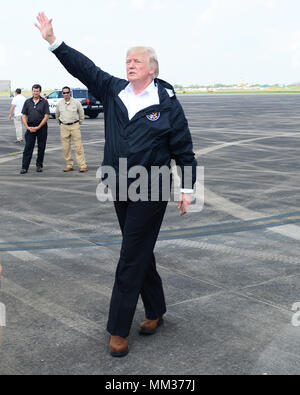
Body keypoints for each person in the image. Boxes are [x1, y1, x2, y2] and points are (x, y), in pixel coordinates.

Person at [35, 12, 197, 357]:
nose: (130, 64)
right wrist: (54, 41)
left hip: (152, 186)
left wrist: (187, 190)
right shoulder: (114, 90)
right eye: (127, 60)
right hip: (118, 183)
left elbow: (184, 150)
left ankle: (118, 329)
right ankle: (156, 310)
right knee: (139, 252)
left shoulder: (167, 105)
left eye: (137, 60)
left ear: (152, 67)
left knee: (129, 256)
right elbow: (84, 67)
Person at [56, 87, 87, 173]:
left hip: (74, 125)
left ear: (70, 92)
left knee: (78, 146)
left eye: (67, 92)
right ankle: (69, 165)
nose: (66, 94)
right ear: (62, 93)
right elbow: (57, 114)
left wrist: (79, 123)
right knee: (66, 147)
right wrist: (61, 123)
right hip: (64, 126)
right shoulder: (59, 103)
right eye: (64, 93)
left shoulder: (76, 102)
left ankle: (82, 165)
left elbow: (81, 113)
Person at [20, 84, 50, 174]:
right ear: (32, 91)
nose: (35, 93)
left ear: (40, 92)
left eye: (37, 91)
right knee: (28, 147)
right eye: (34, 91)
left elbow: (46, 116)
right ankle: (24, 167)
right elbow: (24, 115)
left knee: (41, 147)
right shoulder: (27, 101)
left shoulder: (44, 102)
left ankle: (39, 165)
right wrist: (27, 127)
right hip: (30, 127)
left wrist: (38, 127)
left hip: (41, 127)